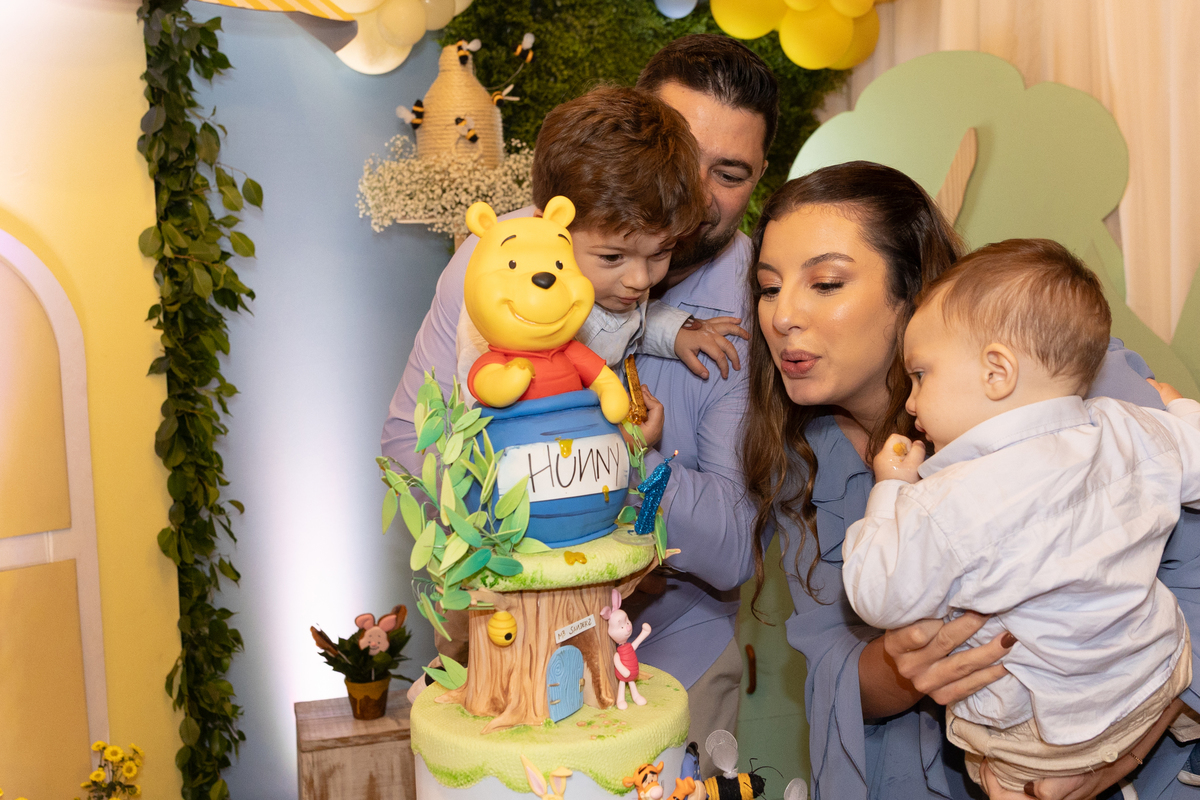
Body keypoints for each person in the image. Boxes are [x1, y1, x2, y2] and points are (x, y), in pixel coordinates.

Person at [742, 160, 1200, 800]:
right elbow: (831, 668)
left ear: (911, 289)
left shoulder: (1064, 384)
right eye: (768, 288)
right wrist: (905, 664)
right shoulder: (803, 461)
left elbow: (1192, 569)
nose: (783, 316)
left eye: (825, 283)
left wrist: (1118, 752)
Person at [841, 239, 1200, 792]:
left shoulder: (948, 501)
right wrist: (1176, 407)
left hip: (1048, 739)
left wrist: (890, 489)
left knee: (989, 759)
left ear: (997, 372)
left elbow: (877, 595)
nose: (910, 403)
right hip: (1158, 676)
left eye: (921, 375)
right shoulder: (1128, 426)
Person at [383, 84, 745, 486]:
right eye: (613, 257)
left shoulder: (613, 284)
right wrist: (618, 447)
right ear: (548, 229)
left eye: (662, 253)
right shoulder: (511, 304)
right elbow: (486, 420)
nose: (640, 280)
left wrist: (675, 332)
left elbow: (630, 322)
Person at [621, 34, 776, 773]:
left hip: (677, 665)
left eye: (729, 173)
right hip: (508, 640)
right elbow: (412, 448)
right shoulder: (516, 257)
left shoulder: (763, 312)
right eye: (678, 152)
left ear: (760, 177)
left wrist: (626, 461)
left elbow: (729, 548)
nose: (693, 191)